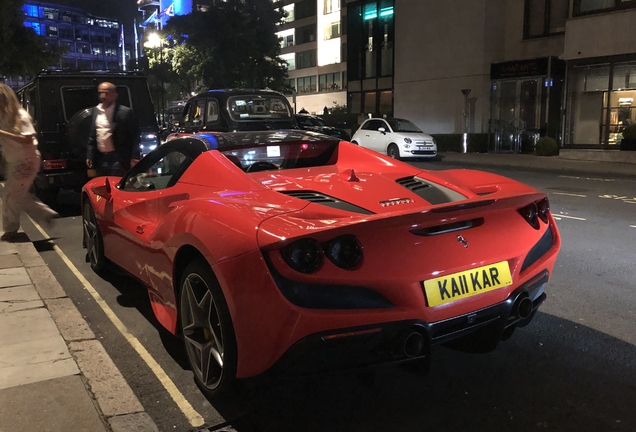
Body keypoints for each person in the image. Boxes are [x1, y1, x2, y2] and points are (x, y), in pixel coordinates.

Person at [0, 84, 58, 242]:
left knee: (10, 195)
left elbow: (28, 138)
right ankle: (44, 213)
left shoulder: (20, 115)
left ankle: (11, 229)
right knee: (15, 194)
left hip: (26, 161)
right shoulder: (3, 116)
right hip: (15, 161)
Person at [86, 82, 141, 177]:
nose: (103, 96)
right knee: (103, 186)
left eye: (107, 93)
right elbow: (92, 135)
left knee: (116, 185)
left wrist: (134, 156)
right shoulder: (95, 111)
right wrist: (90, 155)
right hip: (101, 158)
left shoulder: (125, 112)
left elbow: (134, 136)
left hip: (118, 158)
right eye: (101, 93)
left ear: (115, 95)